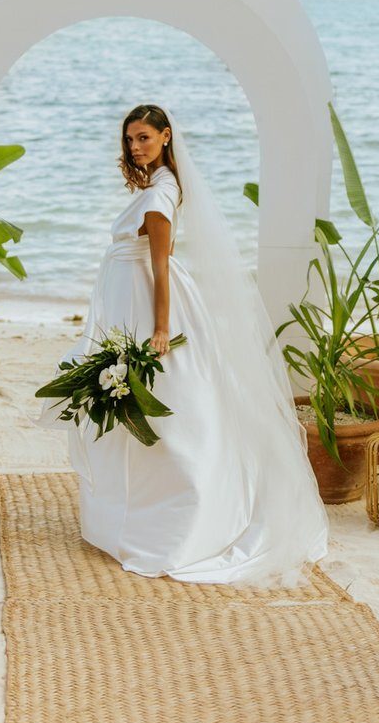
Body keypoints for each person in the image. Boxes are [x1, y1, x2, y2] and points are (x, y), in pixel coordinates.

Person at [38, 104, 328, 584]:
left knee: (172, 408)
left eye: (144, 137)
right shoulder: (160, 186)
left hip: (145, 304)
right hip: (129, 300)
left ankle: (175, 521)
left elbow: (161, 265)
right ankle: (138, 512)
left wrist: (159, 329)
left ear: (166, 136)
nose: (135, 147)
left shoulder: (159, 195)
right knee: (150, 404)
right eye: (130, 139)